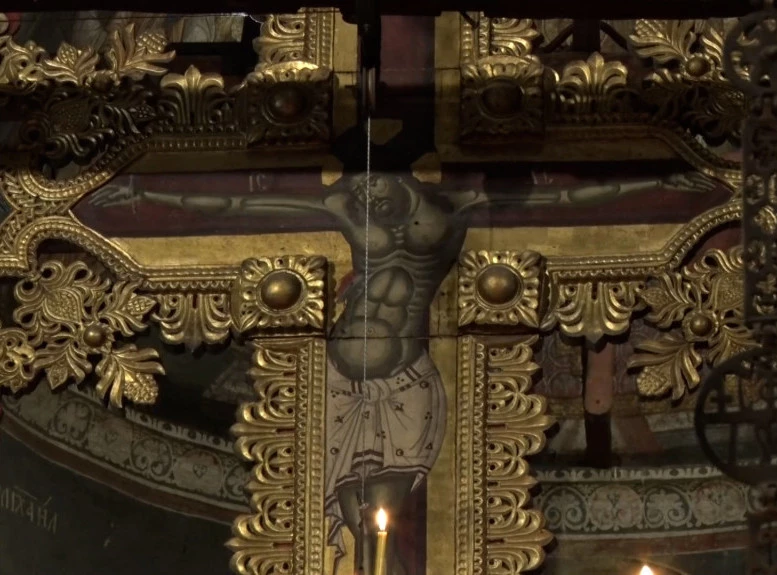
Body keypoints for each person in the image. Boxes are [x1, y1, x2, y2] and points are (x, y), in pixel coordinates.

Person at [90, 167, 716, 575]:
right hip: (337, 382)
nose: (371, 193)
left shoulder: (455, 204)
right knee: (348, 509)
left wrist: (674, 184)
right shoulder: (342, 204)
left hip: (409, 379)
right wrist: (141, 194)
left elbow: (564, 199)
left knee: (382, 500)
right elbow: (239, 205)